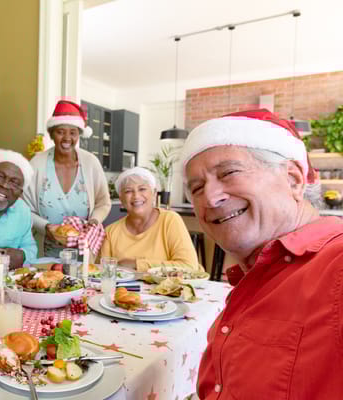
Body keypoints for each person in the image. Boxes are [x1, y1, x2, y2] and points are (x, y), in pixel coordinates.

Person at [180, 109, 343, 399]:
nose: (210, 197)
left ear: (294, 179)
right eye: (196, 187)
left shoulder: (336, 267)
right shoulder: (250, 280)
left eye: (228, 173)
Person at [23, 100, 111, 257]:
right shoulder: (37, 163)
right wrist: (46, 227)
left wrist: (94, 221)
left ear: (79, 135)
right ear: (51, 134)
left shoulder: (91, 162)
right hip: (44, 255)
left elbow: (103, 203)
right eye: (60, 131)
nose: (66, 138)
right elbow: (24, 209)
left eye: (73, 132)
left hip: (84, 254)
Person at [99, 167, 200, 271]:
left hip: (169, 287)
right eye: (128, 191)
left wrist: (137, 264)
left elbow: (189, 267)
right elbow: (103, 273)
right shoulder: (110, 232)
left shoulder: (170, 220)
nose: (136, 196)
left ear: (154, 193)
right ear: (121, 199)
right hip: (123, 288)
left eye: (142, 189)